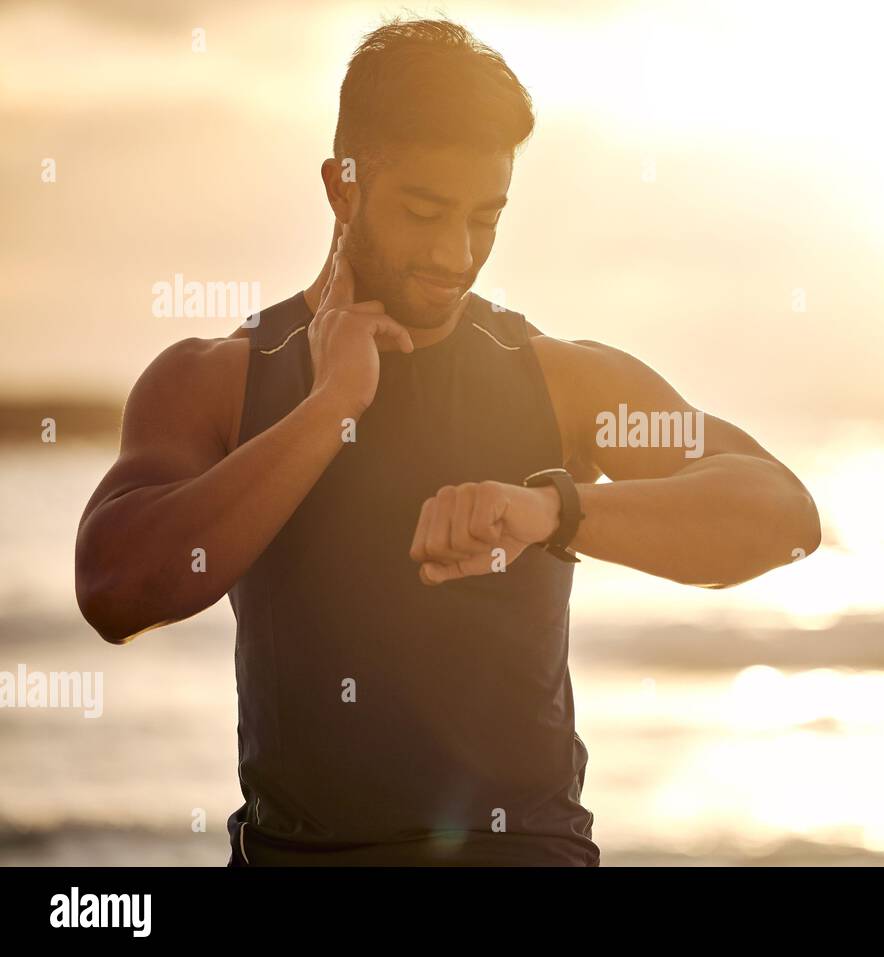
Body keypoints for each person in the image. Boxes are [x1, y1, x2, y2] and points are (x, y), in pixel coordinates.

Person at [74, 16, 820, 866]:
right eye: (424, 211)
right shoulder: (219, 380)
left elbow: (781, 512)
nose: (456, 253)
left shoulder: (561, 383)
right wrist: (328, 410)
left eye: (485, 217)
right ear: (342, 186)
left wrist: (554, 510)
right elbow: (114, 587)